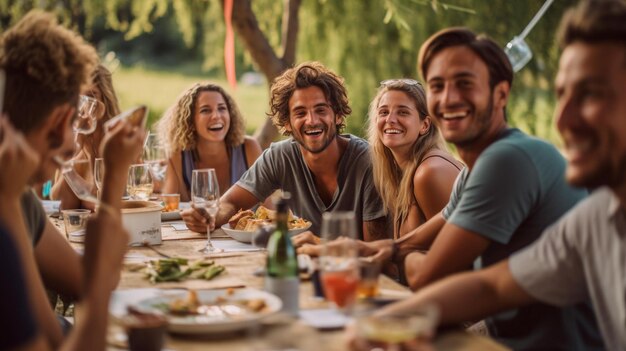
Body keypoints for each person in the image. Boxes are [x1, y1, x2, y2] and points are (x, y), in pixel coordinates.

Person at [367, 1, 626, 350]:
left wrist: (398, 260)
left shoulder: (506, 159)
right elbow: (491, 287)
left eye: (591, 94)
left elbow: (430, 274)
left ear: (501, 94)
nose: (562, 120)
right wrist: (381, 322)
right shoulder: (596, 219)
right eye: (561, 94)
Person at [0, 10, 145, 350]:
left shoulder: (15, 197)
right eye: (77, 120)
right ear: (62, 119)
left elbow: (82, 288)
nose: (73, 141)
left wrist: (113, 179)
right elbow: (96, 290)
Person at [183, 62, 387, 241]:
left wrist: (317, 246)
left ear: (338, 116)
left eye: (321, 110)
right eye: (300, 113)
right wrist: (210, 218)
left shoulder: (368, 162)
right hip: (304, 268)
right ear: (287, 123)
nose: (312, 120)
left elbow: (375, 250)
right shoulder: (280, 156)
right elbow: (231, 202)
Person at [368, 79, 461, 239]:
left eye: (403, 112)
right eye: (384, 112)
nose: (390, 119)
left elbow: (458, 252)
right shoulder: (401, 172)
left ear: (424, 125)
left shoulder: (430, 172)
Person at [156, 83, 262, 201]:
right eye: (206, 110)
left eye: (222, 108)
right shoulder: (178, 154)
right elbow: (170, 205)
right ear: (190, 120)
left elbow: (269, 208)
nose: (216, 116)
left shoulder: (249, 148)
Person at [50, 64, 122, 210]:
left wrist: (91, 155)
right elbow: (58, 201)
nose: (85, 104)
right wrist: (76, 142)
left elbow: (101, 201)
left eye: (91, 95)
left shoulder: (119, 138)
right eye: (80, 96)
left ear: (105, 99)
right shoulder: (72, 138)